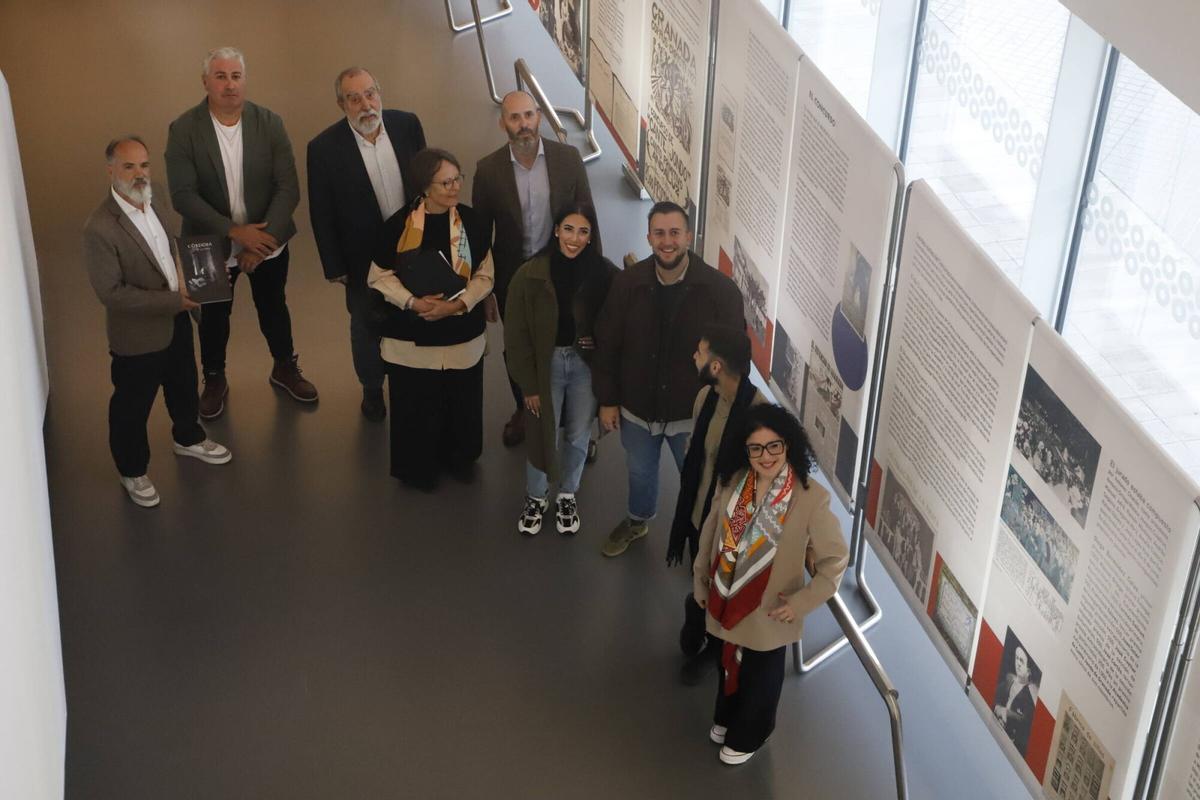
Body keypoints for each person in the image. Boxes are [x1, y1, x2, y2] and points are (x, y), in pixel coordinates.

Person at [165, 46, 317, 420]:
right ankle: (214, 377)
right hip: (205, 241)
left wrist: (258, 244)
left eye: (236, 76)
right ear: (205, 82)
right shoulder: (183, 129)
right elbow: (183, 195)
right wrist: (235, 233)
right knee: (212, 316)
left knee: (273, 305)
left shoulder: (270, 123)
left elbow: (288, 188)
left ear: (245, 80)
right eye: (220, 76)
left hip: (267, 237)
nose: (229, 84)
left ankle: (284, 366)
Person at [692, 404, 848, 764]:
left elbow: (835, 559)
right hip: (726, 596)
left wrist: (801, 603)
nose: (766, 456)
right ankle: (727, 718)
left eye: (774, 445)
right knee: (728, 663)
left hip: (771, 610)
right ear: (745, 450)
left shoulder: (811, 498)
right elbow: (710, 534)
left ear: (789, 444)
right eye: (756, 448)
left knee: (761, 678)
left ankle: (750, 735)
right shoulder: (732, 482)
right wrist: (701, 581)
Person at [84, 136, 231, 507]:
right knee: (132, 406)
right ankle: (132, 470)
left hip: (177, 318)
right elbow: (111, 293)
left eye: (144, 165)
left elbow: (172, 248)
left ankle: (188, 438)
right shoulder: (99, 228)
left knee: (183, 383)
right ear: (110, 170)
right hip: (139, 334)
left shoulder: (157, 194)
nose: (139, 174)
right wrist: (173, 301)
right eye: (129, 166)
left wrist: (201, 276)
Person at [592, 201, 744, 557]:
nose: (667, 241)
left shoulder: (721, 292)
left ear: (689, 236)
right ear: (648, 238)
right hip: (637, 410)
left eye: (675, 232)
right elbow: (608, 344)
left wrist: (725, 412)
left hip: (693, 415)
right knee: (640, 474)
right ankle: (638, 520)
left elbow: (736, 359)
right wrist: (608, 400)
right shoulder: (627, 284)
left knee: (701, 482)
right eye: (659, 233)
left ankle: (705, 541)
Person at [472, 90, 595, 448]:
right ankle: (526, 410)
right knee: (519, 348)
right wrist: (485, 290)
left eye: (528, 115)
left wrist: (591, 280)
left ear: (539, 116)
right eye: (515, 117)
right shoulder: (488, 170)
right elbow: (481, 235)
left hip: (564, 272)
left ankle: (575, 425)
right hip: (514, 278)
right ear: (503, 124)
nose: (523, 124)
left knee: (568, 346)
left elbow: (588, 220)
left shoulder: (568, 160)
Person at [367, 148, 494, 490]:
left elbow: (485, 275)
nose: (455, 188)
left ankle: (460, 459)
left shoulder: (473, 223)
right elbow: (379, 276)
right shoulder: (397, 227)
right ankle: (418, 468)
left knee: (462, 404)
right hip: (411, 336)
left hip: (460, 333)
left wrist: (457, 306)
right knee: (415, 406)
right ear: (424, 188)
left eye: (457, 179)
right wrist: (413, 302)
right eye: (445, 183)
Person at [307, 66, 426, 421]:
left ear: (380, 92)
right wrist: (334, 266)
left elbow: (426, 182)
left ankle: (413, 381)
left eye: (370, 94)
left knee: (415, 315)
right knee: (365, 327)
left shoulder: (407, 125)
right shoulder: (323, 149)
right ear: (341, 104)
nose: (366, 105)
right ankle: (372, 389)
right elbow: (321, 212)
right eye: (354, 98)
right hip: (362, 258)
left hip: (413, 248)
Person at [504, 203, 617, 536]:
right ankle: (536, 496)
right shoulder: (529, 274)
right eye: (568, 229)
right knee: (542, 430)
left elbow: (618, 321)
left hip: (584, 365)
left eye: (583, 232)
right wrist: (528, 385)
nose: (574, 238)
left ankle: (567, 493)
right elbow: (516, 334)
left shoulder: (604, 273)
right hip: (547, 363)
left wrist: (598, 347)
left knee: (579, 432)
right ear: (555, 230)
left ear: (591, 236)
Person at [668, 325, 766, 684]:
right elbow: (696, 448)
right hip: (699, 514)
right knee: (701, 576)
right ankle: (697, 614)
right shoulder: (705, 399)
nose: (694, 356)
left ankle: (713, 647)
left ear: (716, 366)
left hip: (731, 531)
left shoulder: (759, 416)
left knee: (721, 589)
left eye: (701, 352)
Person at [992, 644, 1037, 755]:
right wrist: (998, 708)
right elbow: (995, 695)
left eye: (1021, 661)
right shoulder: (1009, 680)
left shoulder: (1030, 694)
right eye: (1017, 658)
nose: (1018, 663)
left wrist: (1007, 714)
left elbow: (1025, 721)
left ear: (1029, 670)